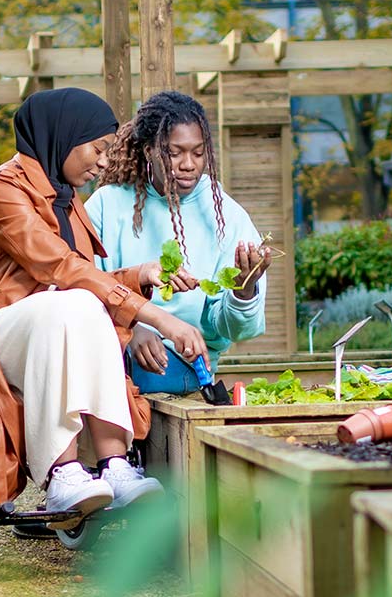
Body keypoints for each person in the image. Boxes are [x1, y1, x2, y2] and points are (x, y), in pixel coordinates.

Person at [0, 88, 208, 520]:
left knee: (83, 305)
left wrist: (139, 275)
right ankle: (63, 472)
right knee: (68, 303)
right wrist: (156, 317)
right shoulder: (3, 188)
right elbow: (58, 267)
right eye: (98, 149)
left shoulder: (68, 201)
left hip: (52, 327)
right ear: (65, 137)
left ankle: (114, 465)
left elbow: (83, 276)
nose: (103, 163)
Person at [86, 91, 274, 396]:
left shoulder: (226, 216)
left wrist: (244, 290)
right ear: (149, 150)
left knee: (124, 383)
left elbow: (236, 330)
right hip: (110, 347)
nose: (188, 164)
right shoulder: (106, 205)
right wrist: (129, 327)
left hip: (180, 363)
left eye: (198, 153)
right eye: (175, 153)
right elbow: (78, 285)